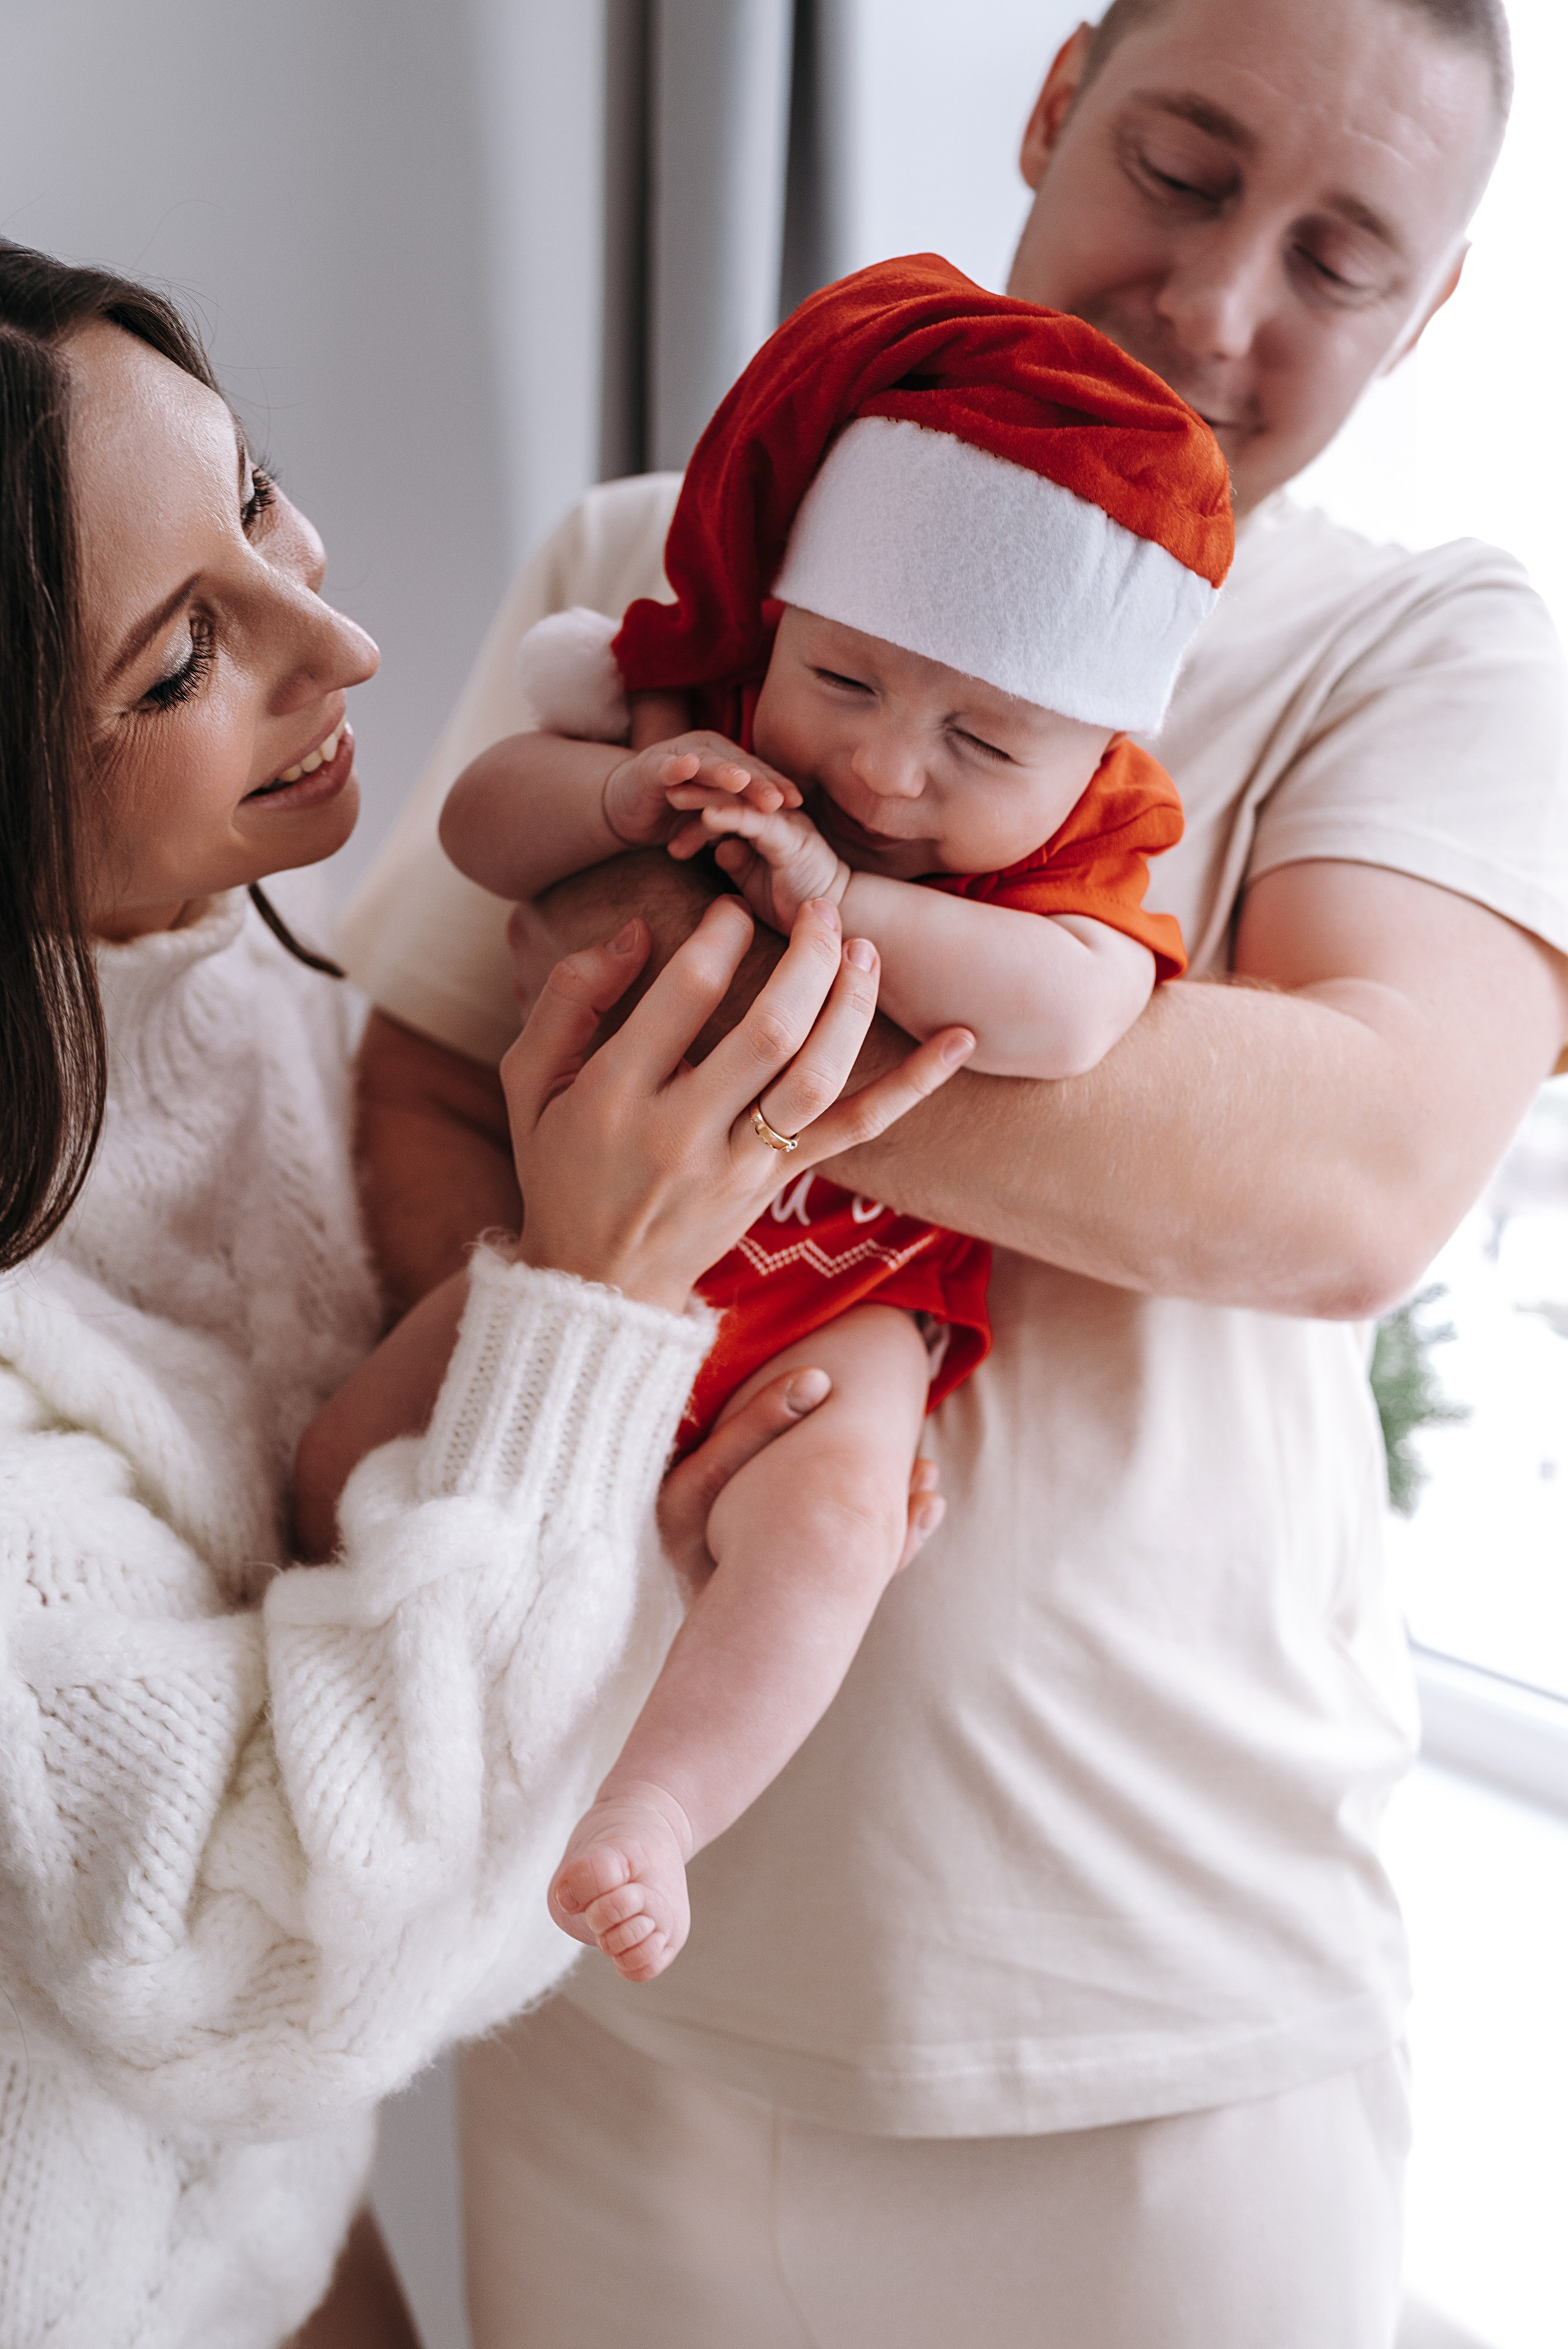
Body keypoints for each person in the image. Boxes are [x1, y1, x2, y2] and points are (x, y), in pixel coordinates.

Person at [338, 0, 1568, 2341]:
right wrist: (579, 1438)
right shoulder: (652, 557)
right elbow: (414, 1074)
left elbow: (1352, 1186)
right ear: (1052, 100)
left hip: (1157, 2018)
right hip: (591, 1978)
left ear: (1435, 310)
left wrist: (717, 945)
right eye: (1186, 173)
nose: (1220, 303)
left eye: (1339, 255)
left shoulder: (1425, 642)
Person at [0, 240, 958, 2349]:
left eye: (258, 501)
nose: (338, 640)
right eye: (178, 666)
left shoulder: (214, 970)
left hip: (266, 2240)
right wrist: (587, 1296)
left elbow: (381, 1605)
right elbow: (262, 1970)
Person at [439, 256, 1231, 1983]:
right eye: (849, 680)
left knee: (835, 1523)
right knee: (361, 1443)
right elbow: (481, 835)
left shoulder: (1077, 859)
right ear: (784, 623)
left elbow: (1078, 1006)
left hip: (847, 1300)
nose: (887, 772)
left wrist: (830, 901)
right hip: (582, 1236)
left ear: (1090, 753)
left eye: (981, 738)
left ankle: (656, 1807)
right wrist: (611, 792)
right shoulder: (698, 720)